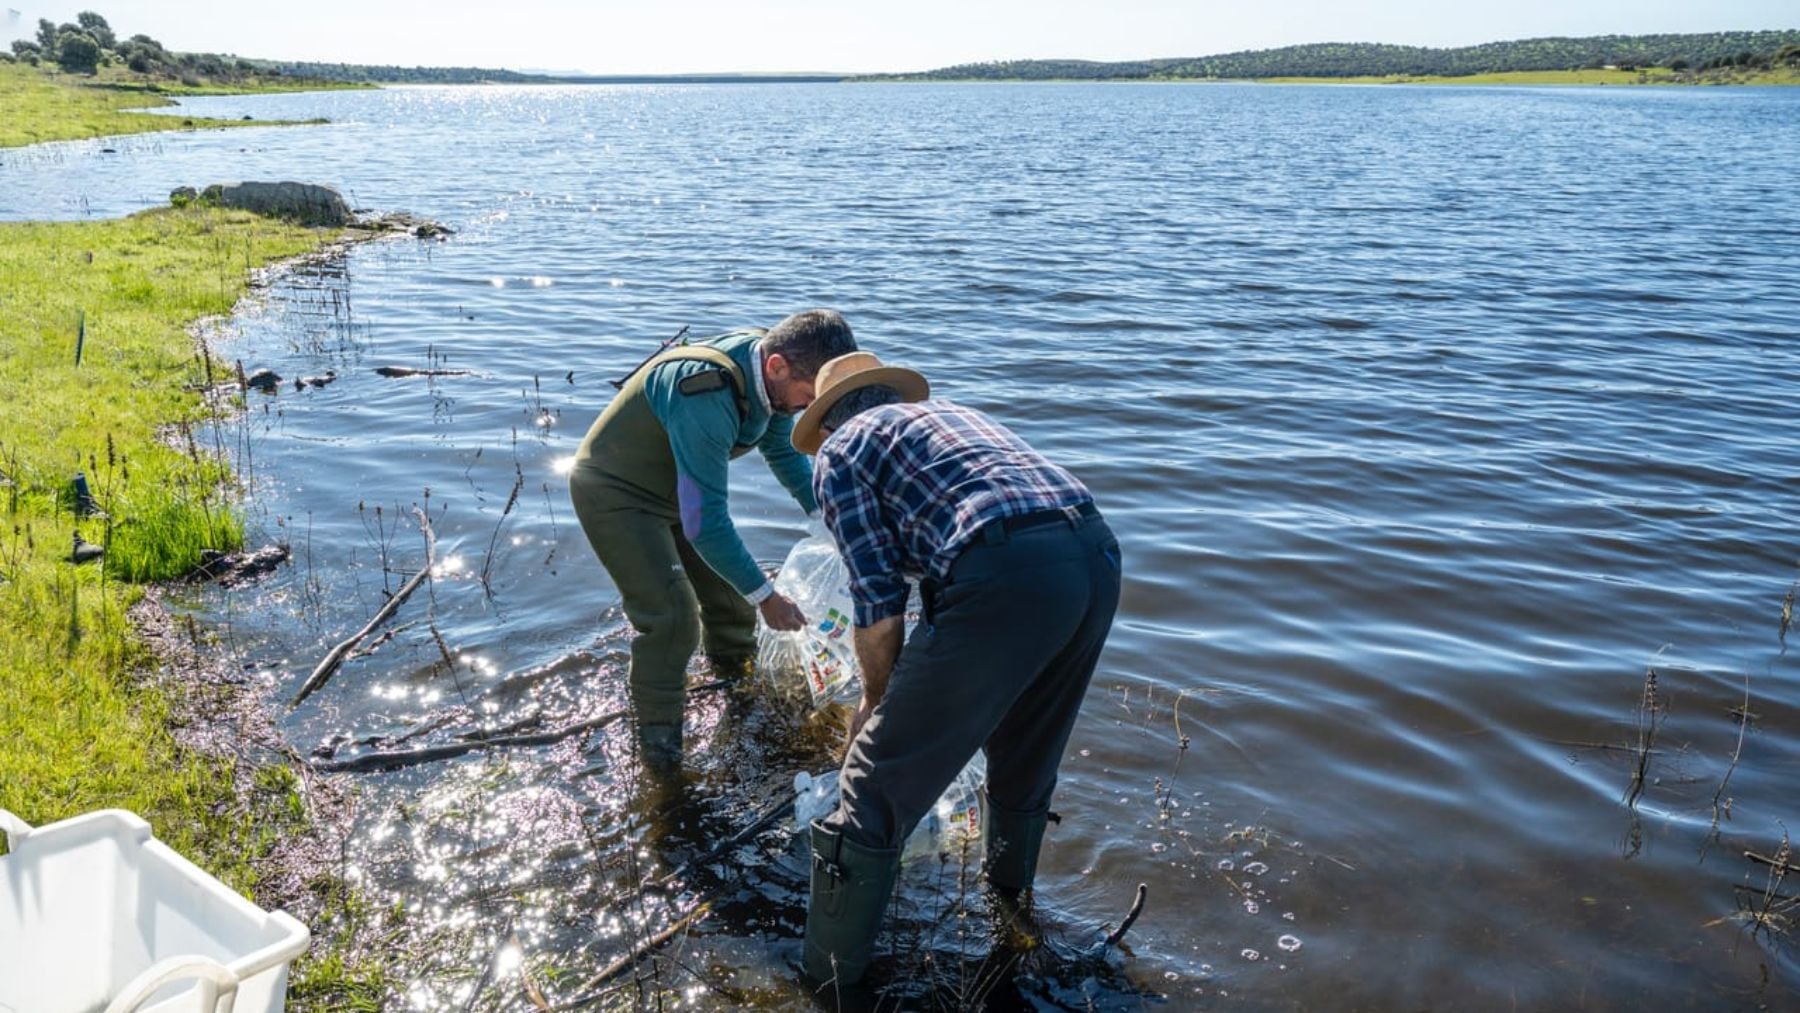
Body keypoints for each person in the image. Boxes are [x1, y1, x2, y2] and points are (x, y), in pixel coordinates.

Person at [790, 352, 1122, 985]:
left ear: (826, 422)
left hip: (1002, 571)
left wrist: (877, 702)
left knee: (872, 782)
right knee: (1027, 754)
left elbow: (878, 599)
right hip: (1096, 555)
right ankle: (1012, 914)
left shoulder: (841, 452)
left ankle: (828, 981)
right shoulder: (952, 418)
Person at [569, 309, 858, 768]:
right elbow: (706, 522)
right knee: (671, 620)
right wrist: (768, 596)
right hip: (618, 493)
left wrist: (828, 518)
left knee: (729, 604)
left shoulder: (771, 375)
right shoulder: (703, 391)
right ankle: (661, 756)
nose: (808, 408)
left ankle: (736, 689)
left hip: (679, 490)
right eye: (807, 397)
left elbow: (782, 450)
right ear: (777, 366)